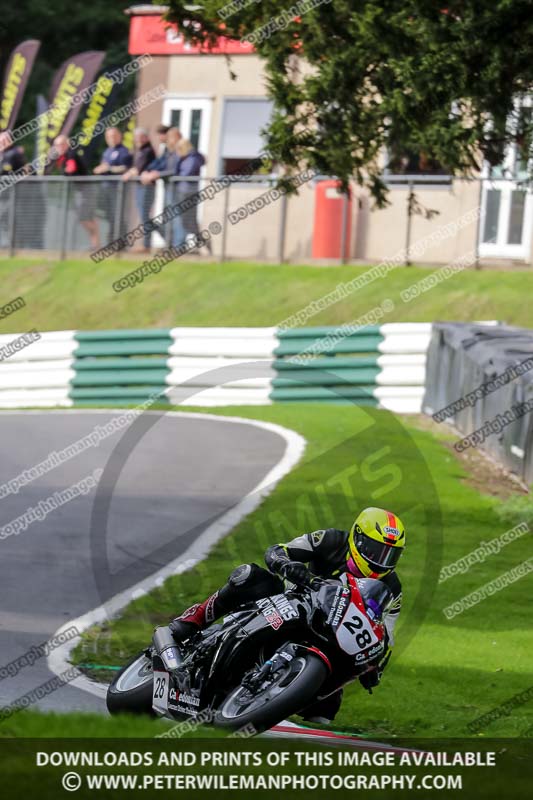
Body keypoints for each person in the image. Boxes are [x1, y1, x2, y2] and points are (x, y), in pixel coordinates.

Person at [170, 507, 405, 723]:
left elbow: (387, 635)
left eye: (390, 555)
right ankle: (194, 619)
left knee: (325, 711)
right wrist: (292, 569)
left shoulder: (393, 589)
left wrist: (374, 667)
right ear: (358, 538)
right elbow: (277, 551)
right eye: (376, 551)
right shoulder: (332, 540)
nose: (380, 562)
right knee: (251, 576)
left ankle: (263, 697)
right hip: (296, 603)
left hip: (331, 636)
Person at [47, 134, 99, 249]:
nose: (58, 147)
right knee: (87, 217)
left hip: (86, 191)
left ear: (67, 144)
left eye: (61, 144)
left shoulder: (71, 155)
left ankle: (95, 242)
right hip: (81, 191)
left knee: (83, 217)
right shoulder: (63, 156)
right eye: (56, 145)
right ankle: (95, 245)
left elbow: (70, 171)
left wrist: (64, 171)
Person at [139, 127, 181, 243]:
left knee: (178, 219)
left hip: (178, 189)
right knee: (167, 218)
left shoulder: (180, 151)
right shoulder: (168, 151)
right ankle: (171, 244)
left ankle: (177, 246)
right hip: (168, 189)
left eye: (170, 137)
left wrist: (158, 174)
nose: (167, 140)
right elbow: (159, 163)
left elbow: (175, 169)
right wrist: (148, 171)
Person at [93, 127, 132, 242]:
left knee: (118, 214)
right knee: (109, 215)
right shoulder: (107, 151)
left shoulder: (124, 151)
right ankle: (112, 239)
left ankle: (120, 242)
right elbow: (103, 166)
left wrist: (109, 168)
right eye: (109, 136)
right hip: (106, 188)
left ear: (119, 136)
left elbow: (125, 168)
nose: (112, 139)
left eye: (114, 136)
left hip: (118, 188)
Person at [122, 128, 156, 252]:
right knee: (144, 216)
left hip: (146, 187)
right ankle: (159, 237)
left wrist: (127, 175)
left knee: (144, 215)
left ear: (146, 138)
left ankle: (147, 245)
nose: (138, 139)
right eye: (136, 137)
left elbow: (138, 169)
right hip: (140, 187)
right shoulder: (139, 151)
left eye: (141, 137)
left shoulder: (147, 151)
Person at [172, 138, 209, 251]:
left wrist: (176, 175)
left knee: (189, 219)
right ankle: (199, 239)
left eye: (179, 149)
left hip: (190, 192)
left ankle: (199, 239)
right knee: (186, 220)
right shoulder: (184, 158)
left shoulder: (193, 158)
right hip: (183, 191)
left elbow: (187, 173)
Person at [0, 130, 27, 248]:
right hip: (3, 194)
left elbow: (24, 171)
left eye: (5, 139)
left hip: (13, 193)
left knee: (10, 218)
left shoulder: (15, 153)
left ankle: (14, 244)